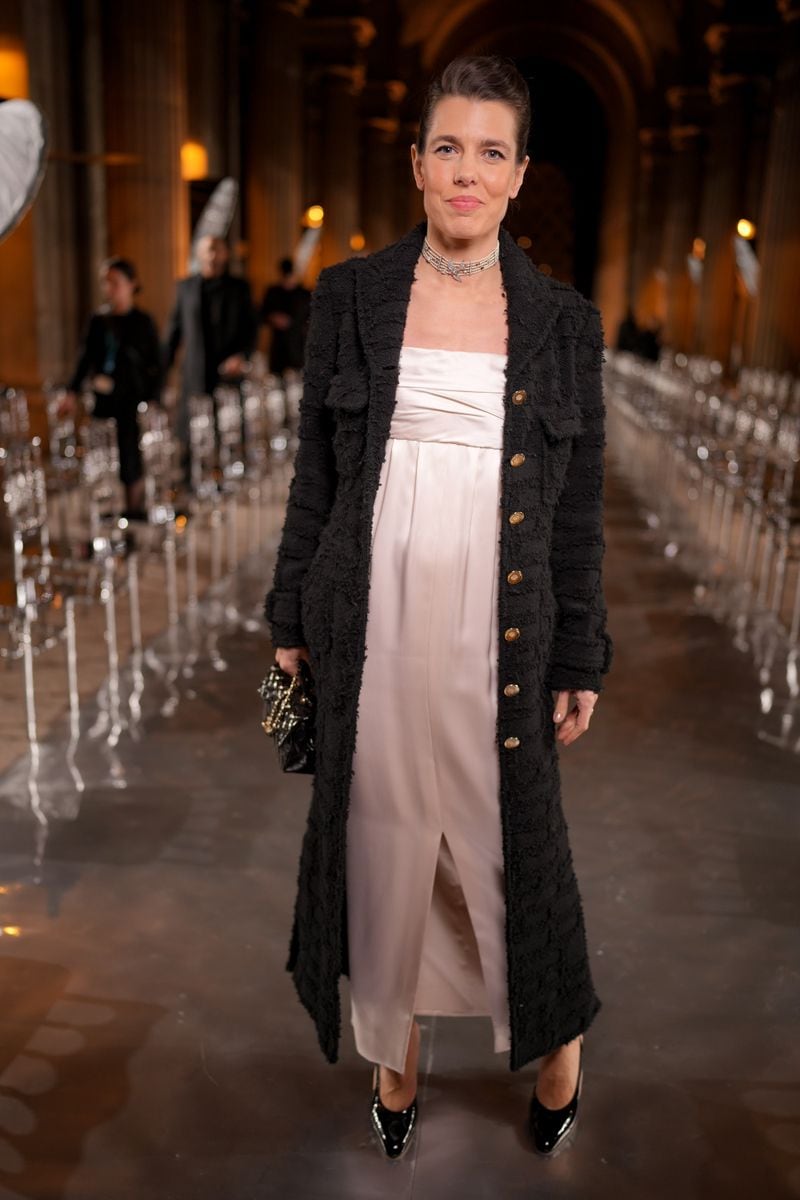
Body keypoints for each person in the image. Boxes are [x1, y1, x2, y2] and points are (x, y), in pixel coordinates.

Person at [264, 54, 612, 1161]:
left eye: (491, 152)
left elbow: (575, 511)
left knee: (505, 841)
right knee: (380, 831)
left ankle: (553, 1036)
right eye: (447, 148)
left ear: (517, 178)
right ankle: (395, 1047)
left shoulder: (562, 323)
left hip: (495, 625)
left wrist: (578, 653)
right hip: (369, 615)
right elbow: (315, 476)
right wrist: (286, 621)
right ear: (416, 164)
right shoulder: (349, 296)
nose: (467, 172)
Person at [65, 257, 161, 517]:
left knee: (131, 457)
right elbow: (84, 359)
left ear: (131, 284)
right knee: (103, 456)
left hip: (131, 399)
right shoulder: (98, 320)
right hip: (104, 399)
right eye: (106, 283)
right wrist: (71, 392)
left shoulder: (143, 321)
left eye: (115, 282)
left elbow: (156, 364)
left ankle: (134, 510)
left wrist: (153, 399)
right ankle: (106, 512)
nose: (110, 288)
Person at [162, 234, 256, 477]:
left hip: (228, 373)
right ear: (199, 254)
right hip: (195, 372)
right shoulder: (185, 287)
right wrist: (161, 374)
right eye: (208, 250)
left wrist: (242, 356)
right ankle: (192, 482)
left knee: (229, 430)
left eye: (218, 250)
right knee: (192, 432)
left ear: (225, 254)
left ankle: (229, 479)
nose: (213, 255)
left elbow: (250, 329)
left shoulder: (240, 288)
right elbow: (174, 332)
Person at [260, 256, 311, 375]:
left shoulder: (305, 294)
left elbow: (312, 319)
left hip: (299, 347)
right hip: (278, 349)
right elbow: (262, 314)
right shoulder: (273, 292)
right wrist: (273, 318)